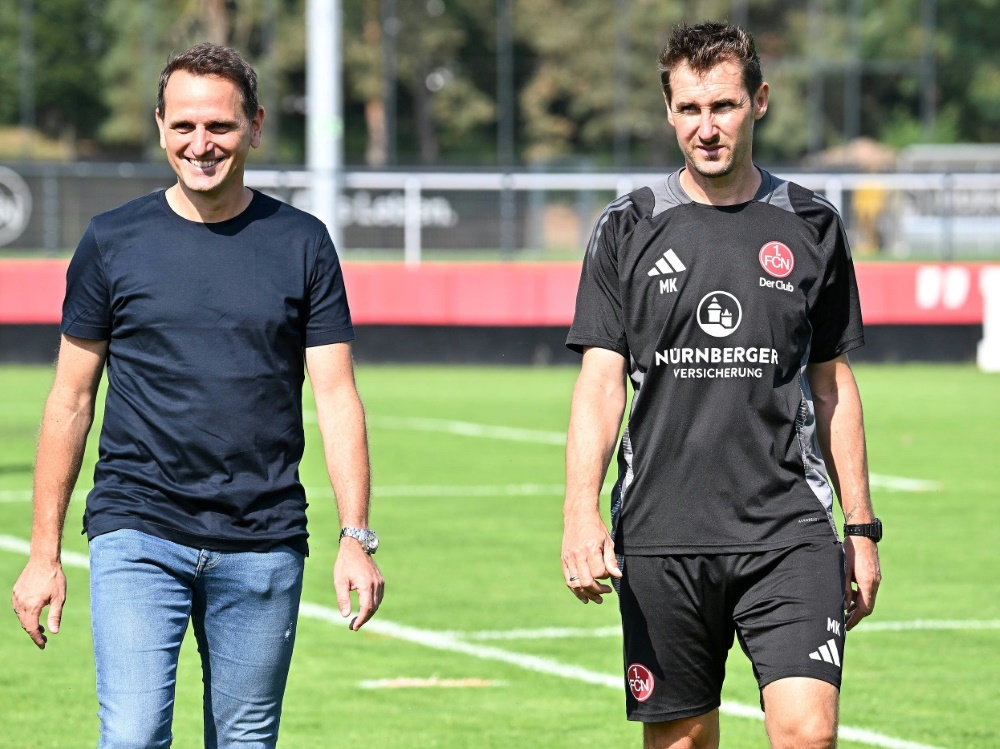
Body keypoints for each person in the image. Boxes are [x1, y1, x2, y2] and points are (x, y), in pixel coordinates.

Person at [11, 43, 384, 747]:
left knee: (244, 741)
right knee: (132, 735)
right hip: (138, 528)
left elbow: (336, 395)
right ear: (159, 126)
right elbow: (70, 400)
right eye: (183, 125)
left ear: (255, 126)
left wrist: (355, 536)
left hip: (264, 539)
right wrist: (43, 553)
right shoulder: (111, 241)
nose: (200, 143)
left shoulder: (303, 243)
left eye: (219, 126)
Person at [561, 22, 881, 749]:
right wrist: (581, 511)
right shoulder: (626, 227)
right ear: (669, 112)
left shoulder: (813, 224)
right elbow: (601, 382)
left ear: (759, 101)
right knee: (683, 741)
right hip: (663, 533)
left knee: (807, 732)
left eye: (725, 106)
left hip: (788, 529)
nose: (708, 128)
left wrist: (859, 528)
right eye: (691, 110)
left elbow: (831, 385)